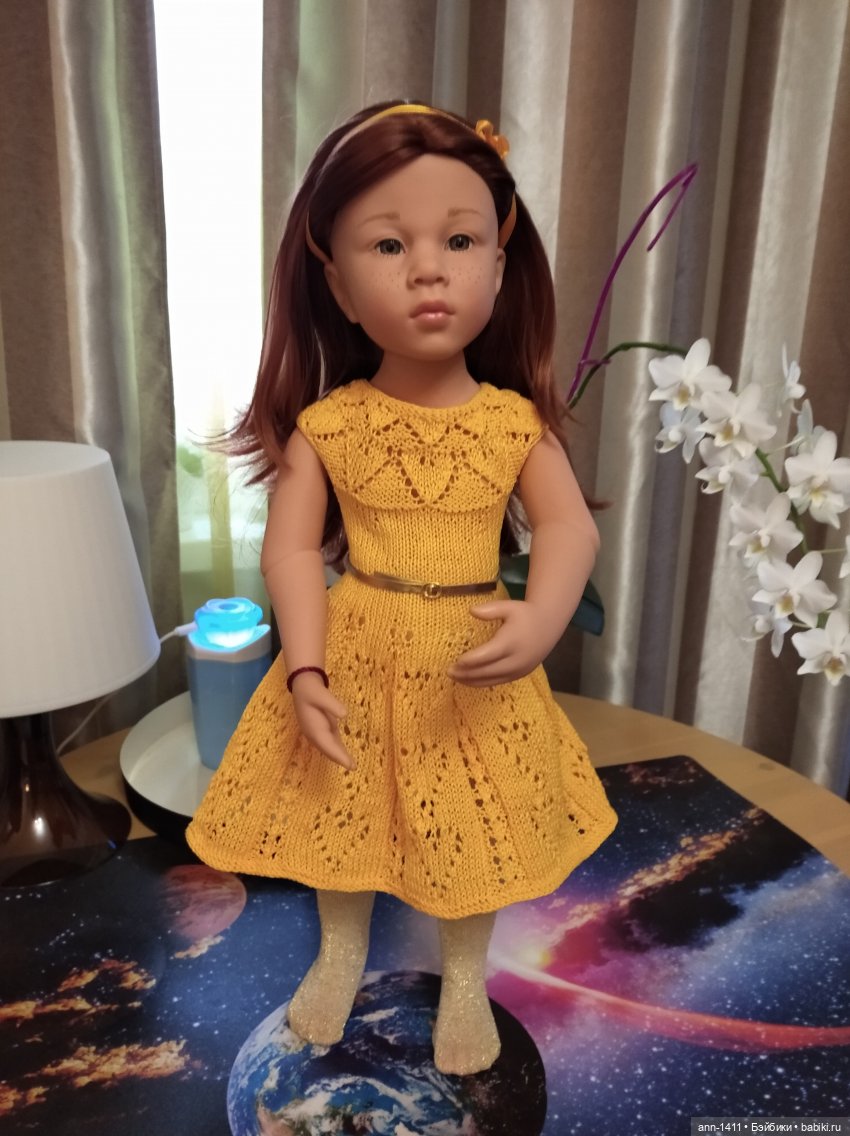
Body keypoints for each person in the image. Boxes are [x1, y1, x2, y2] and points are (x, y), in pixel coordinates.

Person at [186, 102, 617, 1076]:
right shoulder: (331, 426)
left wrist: (543, 616)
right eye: (389, 244)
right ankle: (340, 950)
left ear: (499, 265)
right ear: (336, 284)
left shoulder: (511, 424)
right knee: (342, 808)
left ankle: (464, 978)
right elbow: (292, 552)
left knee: (472, 822)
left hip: (470, 662)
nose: (429, 269)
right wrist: (303, 665)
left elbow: (568, 527)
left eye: (458, 240)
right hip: (356, 648)